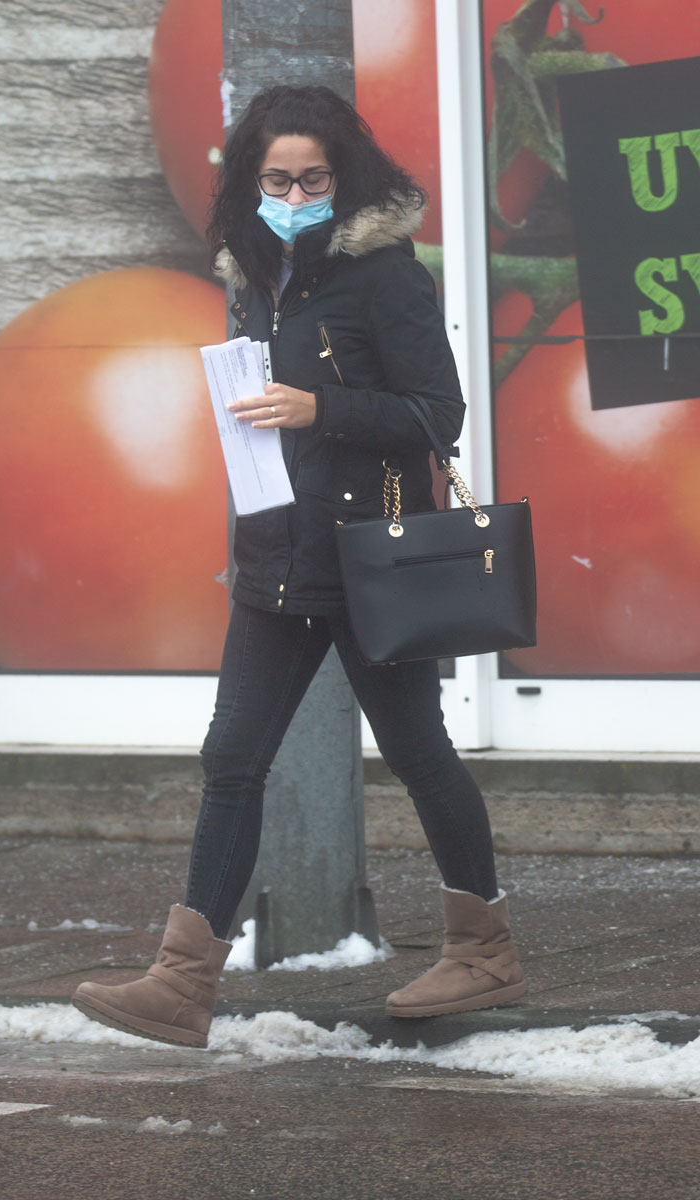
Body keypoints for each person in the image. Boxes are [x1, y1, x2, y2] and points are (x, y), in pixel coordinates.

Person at [72, 85, 526, 1048]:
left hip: (371, 559)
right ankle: (181, 984)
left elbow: (436, 415)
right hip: (276, 554)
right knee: (232, 760)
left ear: (343, 177)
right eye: (276, 179)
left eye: (312, 179)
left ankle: (483, 951)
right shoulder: (254, 275)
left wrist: (320, 407)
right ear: (250, 180)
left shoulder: (386, 276)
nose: (293, 196)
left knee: (417, 752)